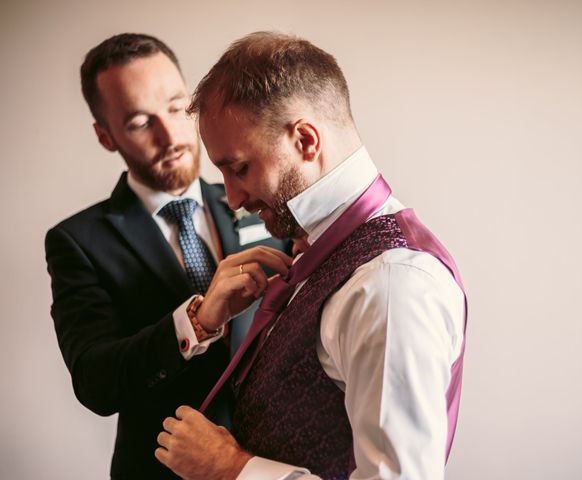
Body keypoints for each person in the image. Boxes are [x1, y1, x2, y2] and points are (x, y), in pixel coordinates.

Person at [155, 32, 468, 480]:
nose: (232, 197)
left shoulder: (390, 283)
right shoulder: (319, 249)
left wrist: (232, 469)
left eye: (239, 168)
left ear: (305, 140)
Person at [44, 33, 290, 479]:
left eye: (178, 107)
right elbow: (96, 383)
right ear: (106, 136)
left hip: (275, 466)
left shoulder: (259, 198)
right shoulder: (77, 241)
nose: (171, 134)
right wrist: (197, 323)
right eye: (140, 121)